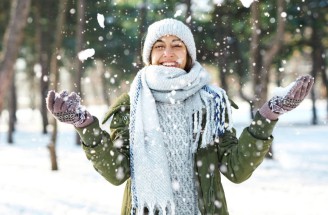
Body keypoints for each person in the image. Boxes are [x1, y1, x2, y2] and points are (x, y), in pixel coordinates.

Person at [46, 18, 314, 215]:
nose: (168, 53)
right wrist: (85, 124)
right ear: (149, 56)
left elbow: (236, 169)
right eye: (159, 46)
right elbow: (117, 172)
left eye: (177, 45)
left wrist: (269, 115)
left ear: (188, 55)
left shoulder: (212, 102)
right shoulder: (132, 105)